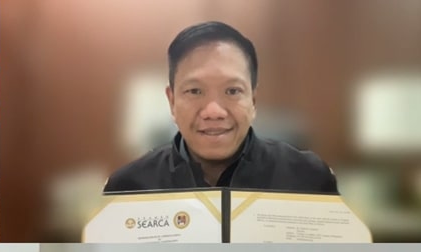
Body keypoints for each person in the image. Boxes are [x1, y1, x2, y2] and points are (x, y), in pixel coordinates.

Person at [104, 21, 338, 193]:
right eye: (195, 91)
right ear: (172, 101)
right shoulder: (127, 188)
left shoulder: (310, 178)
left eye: (232, 91)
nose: (214, 112)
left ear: (253, 101)